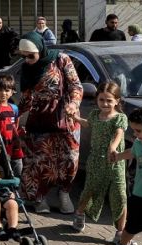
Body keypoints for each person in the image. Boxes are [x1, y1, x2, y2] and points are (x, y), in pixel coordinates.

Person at [17, 31, 83, 214]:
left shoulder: (61, 59)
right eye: (24, 56)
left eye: (31, 55)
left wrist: (73, 103)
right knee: (38, 161)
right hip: (39, 120)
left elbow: (76, 85)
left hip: (65, 118)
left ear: (40, 49)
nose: (28, 60)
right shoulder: (27, 68)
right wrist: (14, 115)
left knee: (69, 159)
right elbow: (26, 97)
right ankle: (39, 199)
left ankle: (64, 194)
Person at [70, 82, 138, 245]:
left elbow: (119, 133)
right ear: (97, 100)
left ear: (117, 101)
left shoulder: (120, 118)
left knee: (120, 196)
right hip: (96, 161)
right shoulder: (94, 115)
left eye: (109, 100)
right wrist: (75, 117)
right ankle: (79, 215)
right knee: (90, 189)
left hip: (115, 162)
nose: (105, 104)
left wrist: (113, 147)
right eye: (102, 100)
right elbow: (87, 123)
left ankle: (120, 233)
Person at [111, 107, 142, 245]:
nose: (135, 135)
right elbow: (131, 152)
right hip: (140, 196)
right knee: (131, 227)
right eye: (134, 131)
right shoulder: (139, 144)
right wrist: (118, 156)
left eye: (138, 130)